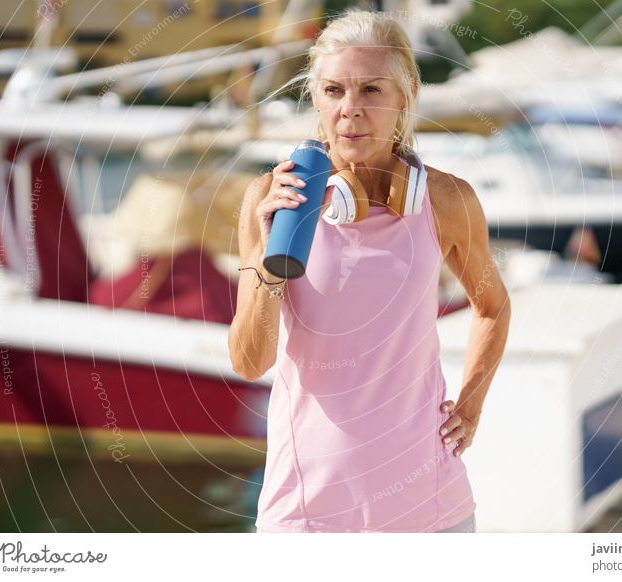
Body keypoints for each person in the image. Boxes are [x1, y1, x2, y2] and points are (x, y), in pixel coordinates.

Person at [228, 8, 510, 533]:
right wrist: (270, 257)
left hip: (431, 510)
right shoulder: (271, 198)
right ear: (315, 97)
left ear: (407, 93)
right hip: (307, 515)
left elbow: (492, 307)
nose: (350, 110)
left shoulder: (447, 200)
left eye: (372, 90)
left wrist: (469, 407)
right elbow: (250, 361)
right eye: (334, 90)